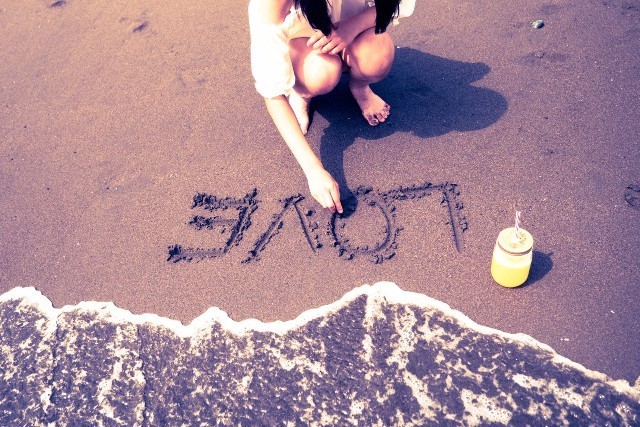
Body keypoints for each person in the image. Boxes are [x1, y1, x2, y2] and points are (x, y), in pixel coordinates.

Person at [248, 0, 416, 214]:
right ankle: (303, 93)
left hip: (357, 36)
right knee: (321, 73)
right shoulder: (270, 6)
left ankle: (360, 86)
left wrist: (349, 28)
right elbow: (272, 93)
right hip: (306, 50)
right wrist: (313, 170)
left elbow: (395, 4)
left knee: (377, 56)